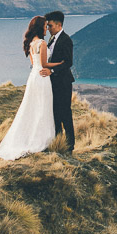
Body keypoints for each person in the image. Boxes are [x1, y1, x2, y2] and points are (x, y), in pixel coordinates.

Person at [0, 16, 62, 160]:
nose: (46, 29)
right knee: (43, 107)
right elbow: (44, 64)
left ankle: (29, 136)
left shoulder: (31, 43)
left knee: (32, 106)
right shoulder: (42, 43)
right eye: (45, 26)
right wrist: (59, 64)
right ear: (40, 27)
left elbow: (35, 63)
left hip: (33, 77)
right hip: (43, 78)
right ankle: (41, 138)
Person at [44, 10, 75, 152]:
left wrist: (52, 71)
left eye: (50, 26)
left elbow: (68, 62)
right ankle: (58, 142)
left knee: (65, 114)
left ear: (58, 24)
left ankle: (69, 145)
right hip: (53, 83)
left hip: (63, 83)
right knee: (55, 113)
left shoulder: (65, 40)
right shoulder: (51, 39)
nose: (48, 28)